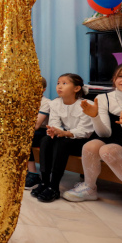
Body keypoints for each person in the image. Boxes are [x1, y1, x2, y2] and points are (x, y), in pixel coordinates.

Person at [62, 62, 122, 228]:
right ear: (114, 80)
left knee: (107, 151)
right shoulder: (102, 98)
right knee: (91, 145)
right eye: (120, 76)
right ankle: (89, 187)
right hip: (111, 140)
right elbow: (104, 134)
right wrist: (94, 116)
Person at [31, 74, 93, 203]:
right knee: (46, 140)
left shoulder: (86, 105)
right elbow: (54, 123)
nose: (59, 86)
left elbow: (85, 131)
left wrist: (64, 133)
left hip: (81, 140)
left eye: (64, 83)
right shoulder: (55, 103)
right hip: (63, 136)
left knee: (62, 143)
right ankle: (44, 181)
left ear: (76, 89)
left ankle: (54, 186)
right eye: (58, 83)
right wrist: (54, 130)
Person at [26, 77, 50, 189]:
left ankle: (33, 173)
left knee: (23, 138)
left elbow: (36, 125)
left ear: (43, 89)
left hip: (43, 131)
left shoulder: (46, 103)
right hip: (27, 129)